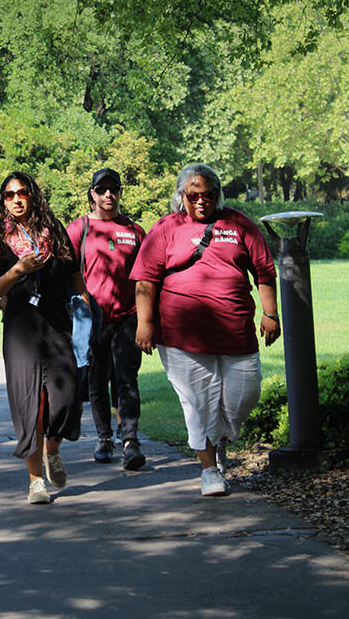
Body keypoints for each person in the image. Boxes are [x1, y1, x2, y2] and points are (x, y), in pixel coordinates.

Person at [130, 164, 280, 497]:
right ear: (181, 195)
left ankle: (219, 439)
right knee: (198, 403)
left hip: (235, 329)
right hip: (182, 335)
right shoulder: (166, 228)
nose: (201, 201)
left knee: (245, 395)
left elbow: (264, 271)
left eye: (208, 195)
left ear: (217, 194)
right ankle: (209, 469)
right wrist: (144, 323)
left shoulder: (238, 223)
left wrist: (271, 312)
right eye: (193, 195)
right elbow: (145, 280)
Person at [0, 172, 89, 504]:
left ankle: (52, 447)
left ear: (33, 196)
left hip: (57, 321)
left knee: (67, 398)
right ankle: (35, 480)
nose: (16, 199)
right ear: (3, 201)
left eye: (22, 192)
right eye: (9, 194)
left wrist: (85, 309)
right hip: (21, 326)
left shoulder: (53, 230)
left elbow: (75, 276)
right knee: (30, 402)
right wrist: (16, 271)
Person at [66, 168, 148, 470]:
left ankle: (130, 440)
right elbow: (67, 271)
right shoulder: (79, 229)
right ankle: (104, 438)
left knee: (127, 380)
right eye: (102, 190)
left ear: (120, 192)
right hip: (92, 318)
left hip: (128, 317)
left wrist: (147, 320)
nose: (108, 195)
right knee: (97, 381)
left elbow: (148, 276)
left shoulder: (135, 231)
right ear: (92, 194)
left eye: (113, 189)